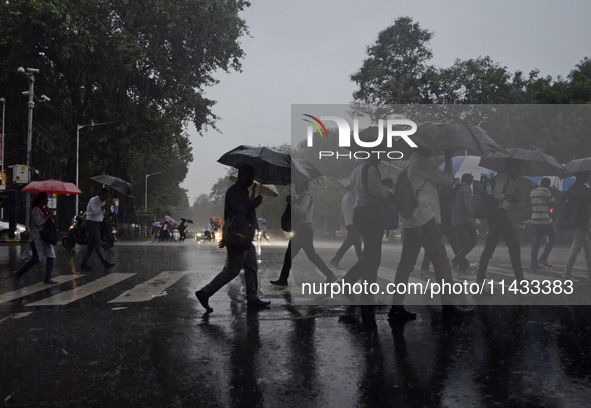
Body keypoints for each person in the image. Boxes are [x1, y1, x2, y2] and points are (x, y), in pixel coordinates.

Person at [389, 148, 471, 321]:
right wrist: (448, 159)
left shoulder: (408, 164)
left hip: (411, 221)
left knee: (406, 264)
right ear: (423, 147)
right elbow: (447, 180)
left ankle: (397, 306)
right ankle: (449, 305)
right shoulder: (421, 163)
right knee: (441, 261)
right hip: (425, 219)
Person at [195, 165, 271, 312]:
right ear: (241, 176)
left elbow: (243, 209)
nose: (250, 180)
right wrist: (253, 203)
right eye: (248, 176)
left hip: (244, 236)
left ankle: (252, 297)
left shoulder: (241, 191)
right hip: (238, 236)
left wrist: (252, 202)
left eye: (251, 177)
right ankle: (205, 292)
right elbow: (238, 209)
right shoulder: (235, 190)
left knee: (251, 266)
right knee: (232, 270)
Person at [341, 155, 391, 309]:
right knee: (373, 257)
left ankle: (349, 282)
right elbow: (378, 192)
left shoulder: (356, 170)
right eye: (379, 155)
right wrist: (388, 189)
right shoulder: (371, 169)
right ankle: (367, 297)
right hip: (371, 215)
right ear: (374, 155)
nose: (380, 159)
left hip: (359, 214)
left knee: (370, 254)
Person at [270, 181, 337, 286]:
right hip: (301, 230)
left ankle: (283, 279)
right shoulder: (301, 197)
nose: (296, 187)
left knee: (291, 255)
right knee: (309, 255)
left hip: (303, 230)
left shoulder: (307, 197)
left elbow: (301, 211)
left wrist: (292, 203)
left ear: (303, 186)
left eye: (297, 185)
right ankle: (330, 275)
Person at [476, 160, 524, 285]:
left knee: (490, 248)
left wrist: (513, 198)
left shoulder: (507, 178)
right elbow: (497, 195)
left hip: (496, 215)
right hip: (498, 215)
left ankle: (480, 279)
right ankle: (520, 280)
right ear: (513, 168)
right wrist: (512, 195)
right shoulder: (503, 176)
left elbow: (502, 199)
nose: (519, 173)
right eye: (518, 169)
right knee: (514, 245)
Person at [13, 192, 56, 284]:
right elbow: (39, 222)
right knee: (36, 258)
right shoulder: (35, 210)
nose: (47, 200)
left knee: (51, 256)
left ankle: (47, 278)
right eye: (46, 199)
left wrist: (50, 214)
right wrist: (48, 215)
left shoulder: (44, 210)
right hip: (36, 238)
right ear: (42, 200)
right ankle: (19, 273)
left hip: (45, 238)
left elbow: (50, 223)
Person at [562, 172, 591, 280]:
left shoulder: (572, 189)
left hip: (574, 221)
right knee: (576, 248)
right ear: (582, 177)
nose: (588, 177)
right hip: (580, 222)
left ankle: (589, 272)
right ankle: (566, 274)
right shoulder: (582, 189)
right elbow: (585, 203)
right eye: (587, 175)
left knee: (587, 248)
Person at [80, 187, 115, 271]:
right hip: (92, 223)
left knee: (91, 246)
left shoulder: (102, 202)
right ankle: (104, 263)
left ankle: (84, 264)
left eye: (106, 196)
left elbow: (100, 213)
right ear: (100, 194)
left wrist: (105, 213)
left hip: (98, 224)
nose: (105, 198)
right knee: (98, 243)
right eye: (104, 196)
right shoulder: (94, 200)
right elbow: (96, 211)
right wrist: (105, 206)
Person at [450, 173, 478, 276]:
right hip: (464, 220)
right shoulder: (466, 189)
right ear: (470, 181)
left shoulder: (456, 189)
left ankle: (463, 269)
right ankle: (454, 261)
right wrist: (473, 219)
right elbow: (468, 206)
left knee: (462, 244)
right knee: (472, 241)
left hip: (455, 221)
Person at [329, 190, 363, 269]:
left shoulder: (345, 197)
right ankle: (336, 259)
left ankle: (362, 262)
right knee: (350, 242)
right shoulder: (353, 196)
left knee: (357, 243)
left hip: (349, 222)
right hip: (353, 222)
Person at [530, 177, 557, 269]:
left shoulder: (532, 192)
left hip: (534, 219)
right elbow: (553, 203)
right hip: (544, 220)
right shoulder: (546, 191)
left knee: (537, 240)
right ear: (548, 185)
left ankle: (533, 262)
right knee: (553, 237)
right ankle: (543, 257)